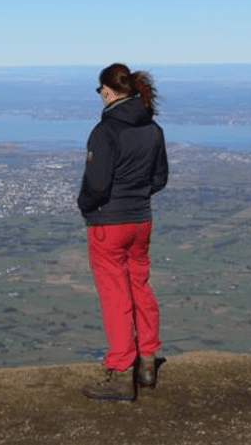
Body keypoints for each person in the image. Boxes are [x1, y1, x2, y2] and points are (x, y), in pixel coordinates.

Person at [77, 63, 169, 402]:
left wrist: (85, 206)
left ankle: (119, 372)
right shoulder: (153, 130)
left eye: (100, 90)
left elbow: (96, 185)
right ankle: (147, 362)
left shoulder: (106, 132)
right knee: (139, 285)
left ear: (106, 90)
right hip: (141, 221)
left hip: (108, 224)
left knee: (115, 294)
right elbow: (159, 179)